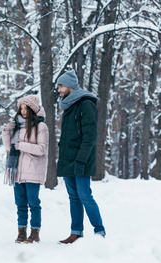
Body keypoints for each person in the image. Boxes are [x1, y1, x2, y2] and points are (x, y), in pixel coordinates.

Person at [56, 70, 106, 244]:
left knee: (85, 195)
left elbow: (90, 136)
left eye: (61, 86)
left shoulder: (86, 104)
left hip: (81, 160)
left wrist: (80, 160)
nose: (59, 90)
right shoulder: (69, 106)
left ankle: (100, 232)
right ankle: (76, 232)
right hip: (68, 159)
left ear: (69, 86)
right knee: (73, 197)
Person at [2, 95, 49, 244]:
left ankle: (35, 232)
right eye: (21, 108)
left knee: (34, 203)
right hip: (18, 171)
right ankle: (21, 232)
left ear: (32, 109)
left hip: (33, 170)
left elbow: (42, 149)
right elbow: (10, 148)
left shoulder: (41, 127)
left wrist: (21, 145)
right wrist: (6, 131)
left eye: (25, 108)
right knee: (20, 204)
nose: (22, 111)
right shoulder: (17, 126)